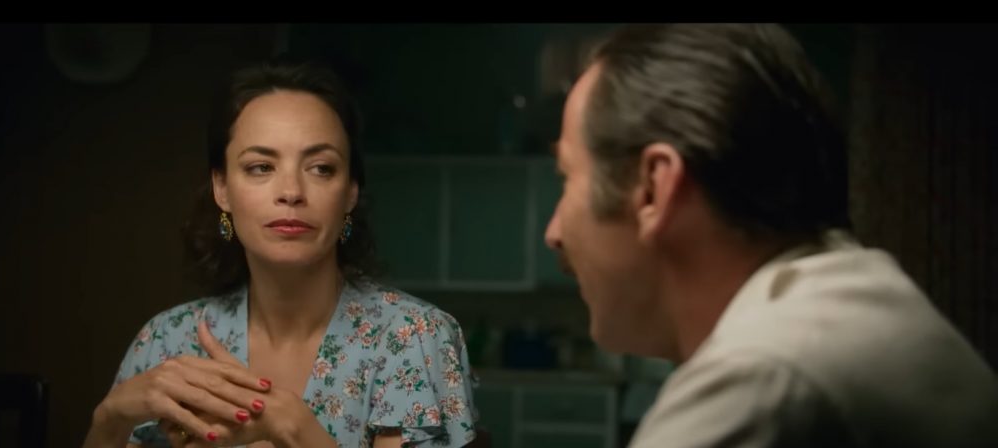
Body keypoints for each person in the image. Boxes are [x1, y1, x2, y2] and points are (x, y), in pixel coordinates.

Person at [544, 23, 998, 447]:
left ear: (652, 188)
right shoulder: (845, 299)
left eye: (567, 177)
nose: (554, 233)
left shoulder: (761, 378)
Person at [83, 58, 478, 448]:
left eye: (321, 168)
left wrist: (292, 428)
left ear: (350, 193)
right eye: (260, 167)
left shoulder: (413, 336)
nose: (291, 192)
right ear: (222, 188)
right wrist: (110, 417)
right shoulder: (167, 340)